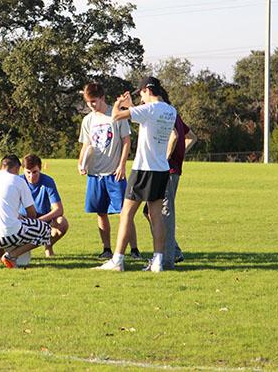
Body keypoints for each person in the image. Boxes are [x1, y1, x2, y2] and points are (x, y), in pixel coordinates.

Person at [94, 76, 176, 273]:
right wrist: (131, 106)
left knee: (126, 214)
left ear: (147, 90)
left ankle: (117, 260)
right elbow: (145, 118)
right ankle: (158, 261)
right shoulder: (170, 110)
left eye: (141, 93)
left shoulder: (149, 109)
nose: (141, 97)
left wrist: (119, 104)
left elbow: (114, 116)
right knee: (156, 216)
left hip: (143, 169)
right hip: (161, 169)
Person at [78, 82, 141, 260]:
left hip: (114, 173)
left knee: (124, 212)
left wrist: (122, 165)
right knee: (101, 212)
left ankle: (134, 249)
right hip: (95, 174)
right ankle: (106, 249)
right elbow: (86, 145)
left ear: (102, 98)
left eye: (94, 101)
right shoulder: (88, 120)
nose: (91, 105)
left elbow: (127, 141)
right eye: (88, 102)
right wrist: (80, 163)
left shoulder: (116, 115)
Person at [0, 155, 51, 269]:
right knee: (45, 229)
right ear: (17, 168)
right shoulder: (19, 181)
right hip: (8, 235)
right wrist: (22, 220)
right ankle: (11, 256)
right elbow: (32, 214)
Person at [143, 112, 197, 268]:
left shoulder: (165, 115)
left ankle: (166, 258)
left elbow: (174, 136)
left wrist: (164, 158)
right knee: (149, 212)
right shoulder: (175, 115)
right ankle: (174, 250)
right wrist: (179, 156)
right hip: (170, 170)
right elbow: (191, 137)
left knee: (163, 212)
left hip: (167, 172)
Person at [21, 154, 69, 257]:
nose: (31, 176)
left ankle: (48, 245)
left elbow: (59, 209)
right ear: (23, 170)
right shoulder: (18, 181)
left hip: (43, 218)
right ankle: (17, 251)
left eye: (35, 172)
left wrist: (39, 221)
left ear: (40, 169)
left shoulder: (48, 181)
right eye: (28, 173)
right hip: (22, 219)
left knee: (62, 222)